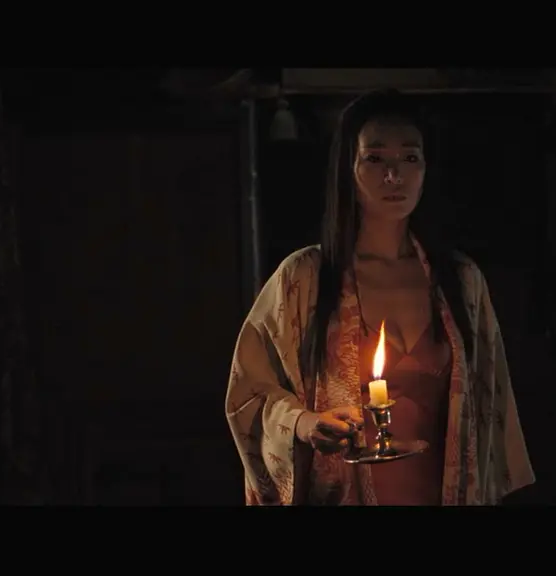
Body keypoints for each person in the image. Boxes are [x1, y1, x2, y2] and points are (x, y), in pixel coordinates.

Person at [225, 89, 534, 506]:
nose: (394, 175)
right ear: (348, 169)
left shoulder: (461, 281)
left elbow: (492, 410)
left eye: (410, 157)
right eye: (374, 158)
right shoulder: (304, 279)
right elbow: (248, 393)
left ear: (426, 169)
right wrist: (303, 422)